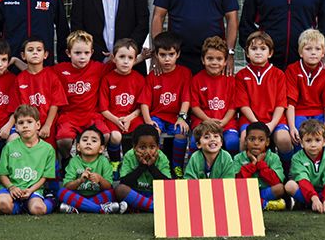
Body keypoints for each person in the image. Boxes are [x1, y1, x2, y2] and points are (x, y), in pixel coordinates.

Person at [139, 31, 192, 178]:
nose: (167, 59)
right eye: (163, 55)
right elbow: (144, 102)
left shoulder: (185, 73)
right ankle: (156, 166)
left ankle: (177, 166)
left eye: (171, 54)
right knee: (152, 133)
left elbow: (186, 99)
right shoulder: (152, 76)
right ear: (156, 55)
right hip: (157, 116)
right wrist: (148, 121)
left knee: (181, 132)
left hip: (176, 116)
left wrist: (182, 117)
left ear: (178, 54)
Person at [52, 31, 111, 164]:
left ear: (92, 52)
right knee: (63, 140)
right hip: (69, 115)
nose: (82, 57)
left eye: (86, 53)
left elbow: (123, 65)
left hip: (91, 115)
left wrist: (142, 57)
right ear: (68, 53)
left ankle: (94, 162)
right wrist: (15, 62)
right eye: (77, 53)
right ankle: (68, 163)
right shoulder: (60, 70)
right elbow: (37, 71)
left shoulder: (97, 68)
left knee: (105, 135)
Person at [234, 32, 288, 165]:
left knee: (284, 139)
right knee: (244, 140)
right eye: (254, 48)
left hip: (274, 120)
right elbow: (243, 105)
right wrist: (257, 125)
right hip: (250, 120)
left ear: (270, 53)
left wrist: (272, 124)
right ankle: (244, 171)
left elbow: (281, 104)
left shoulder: (279, 74)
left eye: (263, 48)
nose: (258, 52)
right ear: (247, 53)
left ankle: (286, 170)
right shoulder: (241, 75)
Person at [284, 29, 325, 162]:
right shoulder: (292, 70)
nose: (313, 52)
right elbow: (290, 103)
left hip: (320, 113)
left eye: (317, 49)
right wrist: (292, 127)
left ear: (323, 53)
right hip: (299, 113)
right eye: (308, 49)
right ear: (300, 52)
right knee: (299, 137)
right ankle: (297, 169)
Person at [0, 105, 56, 215]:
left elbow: (45, 177)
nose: (25, 126)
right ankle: (20, 207)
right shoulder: (9, 147)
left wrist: (31, 190)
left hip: (33, 189)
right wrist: (11, 187)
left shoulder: (48, 149)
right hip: (10, 188)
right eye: (21, 123)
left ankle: (52, 201)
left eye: (29, 122)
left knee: (38, 209)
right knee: (2, 204)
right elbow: (2, 174)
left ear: (38, 125)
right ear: (16, 127)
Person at [14, 36, 67, 149]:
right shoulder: (19, 79)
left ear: (45, 54)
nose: (35, 53)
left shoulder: (52, 76)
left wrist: (47, 125)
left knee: (48, 152)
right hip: (27, 126)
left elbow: (55, 104)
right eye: (30, 50)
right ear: (23, 55)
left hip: (48, 124)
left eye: (39, 50)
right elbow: (17, 108)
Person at [99, 38, 147, 163]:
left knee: (141, 135)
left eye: (130, 58)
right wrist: (117, 120)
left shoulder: (140, 79)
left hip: (132, 117)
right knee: (115, 136)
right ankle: (115, 162)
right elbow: (103, 109)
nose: (126, 61)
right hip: (112, 118)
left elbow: (141, 106)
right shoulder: (107, 79)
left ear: (135, 60)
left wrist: (129, 118)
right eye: (121, 57)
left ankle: (133, 163)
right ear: (114, 59)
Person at [57, 126, 125, 214]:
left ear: (101, 149)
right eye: (85, 140)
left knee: (111, 193)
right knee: (62, 192)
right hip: (78, 195)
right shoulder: (74, 161)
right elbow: (67, 186)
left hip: (97, 196)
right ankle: (100, 209)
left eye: (94, 141)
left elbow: (108, 186)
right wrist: (80, 181)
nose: (88, 143)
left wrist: (100, 179)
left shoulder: (104, 161)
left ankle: (78, 207)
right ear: (78, 147)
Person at [189, 36, 238, 154]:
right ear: (203, 60)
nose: (214, 62)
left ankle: (230, 165)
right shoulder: (196, 80)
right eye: (210, 58)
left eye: (219, 59)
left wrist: (224, 121)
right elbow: (194, 106)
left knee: (233, 142)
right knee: (194, 142)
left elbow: (233, 106)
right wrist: (208, 120)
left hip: (226, 122)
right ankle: (195, 165)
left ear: (225, 61)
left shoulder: (231, 80)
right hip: (203, 122)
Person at [114, 124, 171, 213]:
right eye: (142, 147)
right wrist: (142, 167)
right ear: (134, 147)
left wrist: (151, 167)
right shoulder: (129, 156)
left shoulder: (162, 157)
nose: (147, 152)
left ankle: (139, 207)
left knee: (172, 192)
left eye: (152, 147)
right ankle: (156, 207)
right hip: (136, 193)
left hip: (154, 194)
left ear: (158, 147)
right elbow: (124, 182)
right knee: (120, 190)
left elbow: (168, 184)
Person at [284, 119, 325, 213]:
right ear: (301, 143)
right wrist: (314, 199)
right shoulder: (297, 158)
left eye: (317, 140)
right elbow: (303, 179)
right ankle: (314, 203)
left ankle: (312, 204)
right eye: (308, 140)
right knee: (290, 185)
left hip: (323, 190)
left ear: (324, 142)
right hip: (306, 191)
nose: (313, 145)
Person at [233, 122, 287, 210]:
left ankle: (253, 203)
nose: (256, 143)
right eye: (252, 139)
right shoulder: (238, 158)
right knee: (235, 191)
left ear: (267, 142)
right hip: (247, 192)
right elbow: (237, 181)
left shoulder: (273, 157)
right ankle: (265, 204)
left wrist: (260, 164)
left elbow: (276, 181)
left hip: (264, 192)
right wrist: (252, 165)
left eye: (261, 140)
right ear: (245, 141)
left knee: (279, 188)